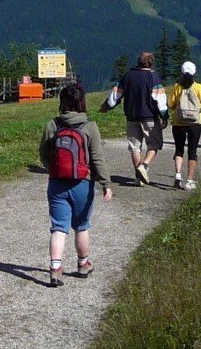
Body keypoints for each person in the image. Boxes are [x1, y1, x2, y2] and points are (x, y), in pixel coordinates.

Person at [38, 81, 110, 287]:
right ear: (82, 102)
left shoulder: (53, 125)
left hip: (57, 183)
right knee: (81, 226)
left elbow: (44, 154)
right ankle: (83, 264)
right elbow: (97, 159)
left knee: (59, 228)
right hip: (82, 183)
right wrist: (106, 183)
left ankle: (55, 269)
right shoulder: (90, 126)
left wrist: (53, 169)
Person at [119, 51, 166, 185]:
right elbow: (160, 98)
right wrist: (164, 115)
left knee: (135, 147)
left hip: (131, 116)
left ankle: (138, 178)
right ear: (151, 63)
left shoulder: (128, 75)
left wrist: (107, 105)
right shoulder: (153, 76)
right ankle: (144, 166)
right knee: (154, 143)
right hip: (149, 117)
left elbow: (117, 92)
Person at [164, 60, 201, 190]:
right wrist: (196, 108)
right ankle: (190, 181)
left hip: (178, 122)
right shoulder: (198, 87)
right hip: (194, 123)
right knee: (192, 151)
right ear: (194, 72)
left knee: (179, 149)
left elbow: (171, 104)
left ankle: (178, 175)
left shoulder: (177, 86)